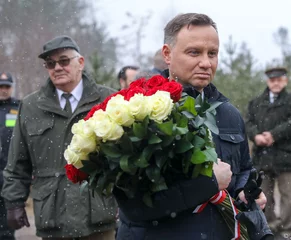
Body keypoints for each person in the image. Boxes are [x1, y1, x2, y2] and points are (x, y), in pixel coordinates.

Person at [114, 13, 267, 240]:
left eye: (212, 53)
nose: (206, 63)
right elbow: (135, 205)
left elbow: (243, 169)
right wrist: (209, 183)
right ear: (167, 54)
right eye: (194, 52)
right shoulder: (137, 113)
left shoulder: (228, 114)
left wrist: (245, 191)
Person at [1, 35, 118, 239]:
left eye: (64, 61)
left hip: (98, 213)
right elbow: (18, 162)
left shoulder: (108, 100)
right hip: (53, 214)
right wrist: (14, 203)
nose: (57, 68)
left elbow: (124, 159)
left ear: (80, 63)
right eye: (50, 63)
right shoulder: (31, 106)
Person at [245, 67, 291, 231]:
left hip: (285, 155)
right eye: (272, 80)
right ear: (267, 81)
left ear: (285, 81)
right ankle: (268, 226)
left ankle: (288, 226)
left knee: (289, 194)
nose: (276, 83)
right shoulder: (255, 102)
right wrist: (256, 136)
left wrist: (273, 135)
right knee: (264, 193)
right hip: (262, 156)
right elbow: (248, 123)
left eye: (279, 79)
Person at [0, 72, 19, 240]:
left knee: (7, 218)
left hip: (9, 171)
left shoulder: (19, 107)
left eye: (7, 86)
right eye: (1, 86)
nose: (4, 90)